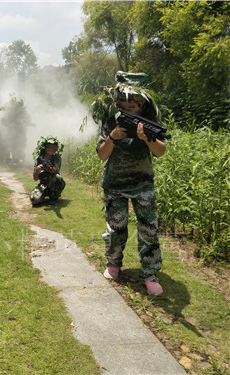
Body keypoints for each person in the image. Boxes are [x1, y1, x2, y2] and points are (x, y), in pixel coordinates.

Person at [94, 71, 166, 296]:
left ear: (143, 101)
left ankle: (150, 274)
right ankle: (113, 264)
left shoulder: (150, 122)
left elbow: (161, 151)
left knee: (149, 230)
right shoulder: (110, 121)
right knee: (116, 230)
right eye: (122, 100)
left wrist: (146, 138)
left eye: (133, 101)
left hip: (143, 184)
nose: (127, 104)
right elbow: (102, 155)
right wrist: (113, 137)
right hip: (114, 185)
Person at [30, 136, 66, 206]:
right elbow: (35, 179)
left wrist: (49, 168)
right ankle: (41, 195)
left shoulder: (57, 158)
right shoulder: (39, 159)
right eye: (49, 147)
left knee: (57, 177)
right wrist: (37, 169)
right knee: (34, 200)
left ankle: (54, 197)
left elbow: (55, 170)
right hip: (43, 185)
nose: (52, 149)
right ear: (45, 148)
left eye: (54, 148)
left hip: (53, 185)